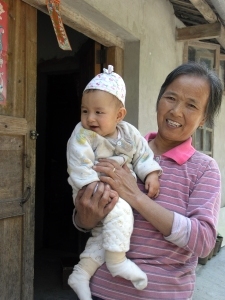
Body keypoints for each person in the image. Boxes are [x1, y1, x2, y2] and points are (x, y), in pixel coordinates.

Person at [73, 62, 223, 300]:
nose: (176, 111)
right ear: (159, 100)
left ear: (204, 118)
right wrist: (85, 217)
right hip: (101, 290)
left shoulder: (204, 169)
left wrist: (136, 196)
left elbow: (204, 241)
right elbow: (87, 220)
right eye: (170, 98)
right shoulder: (122, 149)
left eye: (191, 105)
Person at [67, 65, 162, 300]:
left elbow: (142, 155)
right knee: (119, 215)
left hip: (116, 193)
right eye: (85, 110)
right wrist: (94, 189)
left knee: (104, 237)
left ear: (119, 115)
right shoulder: (81, 134)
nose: (90, 118)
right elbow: (78, 164)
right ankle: (118, 262)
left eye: (99, 112)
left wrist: (150, 174)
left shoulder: (129, 133)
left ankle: (81, 273)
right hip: (92, 191)